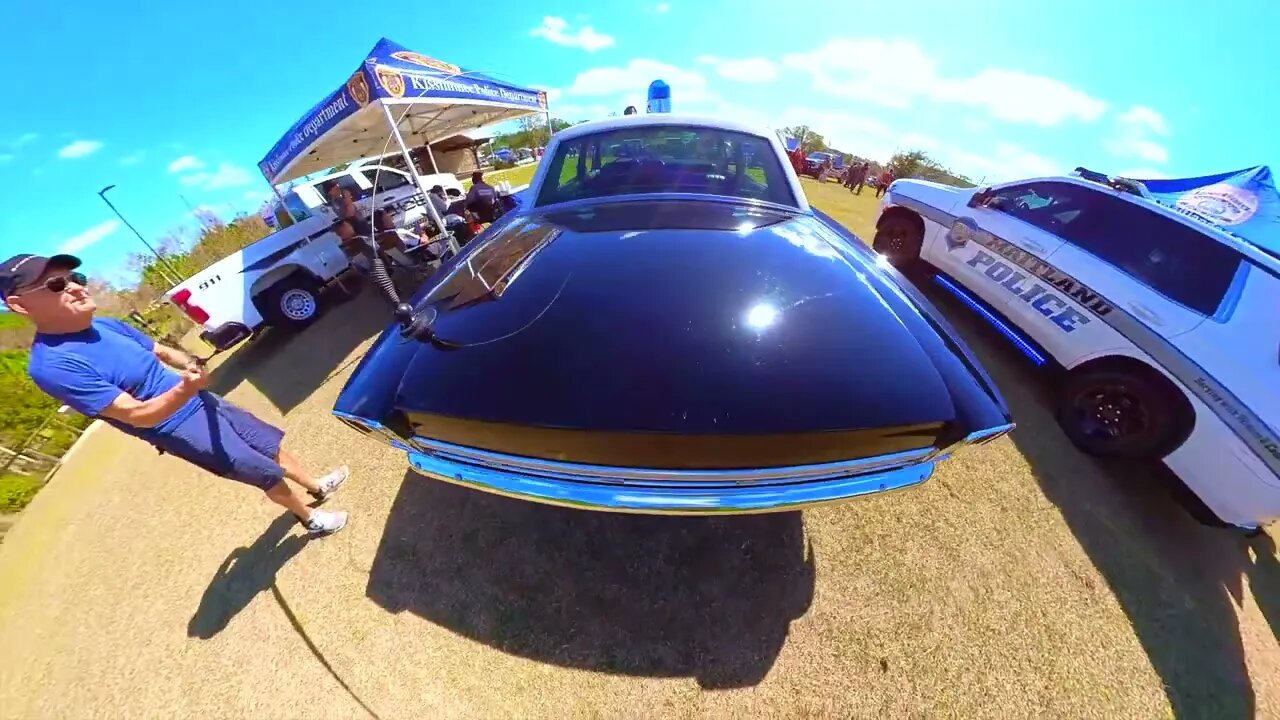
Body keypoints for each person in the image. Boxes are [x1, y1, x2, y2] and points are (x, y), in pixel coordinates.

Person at [2, 254, 350, 537]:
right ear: (19, 305)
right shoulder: (52, 365)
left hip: (200, 399)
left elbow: (160, 351)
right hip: (176, 425)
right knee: (259, 468)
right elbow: (138, 416)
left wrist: (191, 363)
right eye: (57, 284)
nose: (76, 288)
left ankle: (316, 486)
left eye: (76, 278)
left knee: (266, 442)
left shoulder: (106, 325)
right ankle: (309, 519)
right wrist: (186, 388)